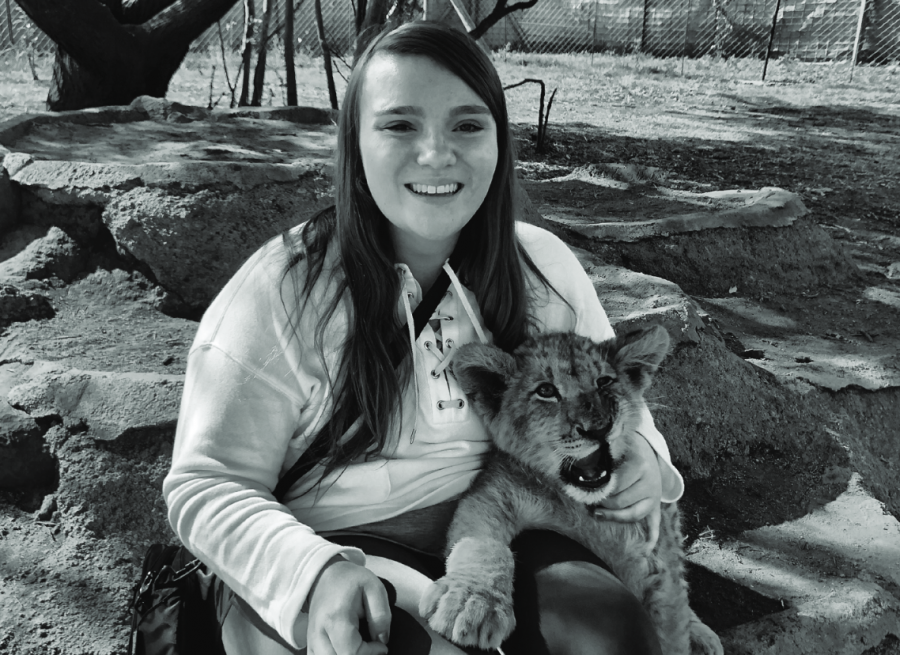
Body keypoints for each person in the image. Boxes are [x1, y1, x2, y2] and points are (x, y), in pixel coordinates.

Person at [164, 20, 684, 655]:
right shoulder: (283, 289)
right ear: (353, 142)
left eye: (467, 125)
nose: (437, 154)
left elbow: (622, 399)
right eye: (399, 124)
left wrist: (651, 465)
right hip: (331, 543)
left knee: (611, 638)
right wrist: (316, 574)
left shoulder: (544, 266)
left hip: (515, 520)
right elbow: (205, 484)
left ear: (499, 140)